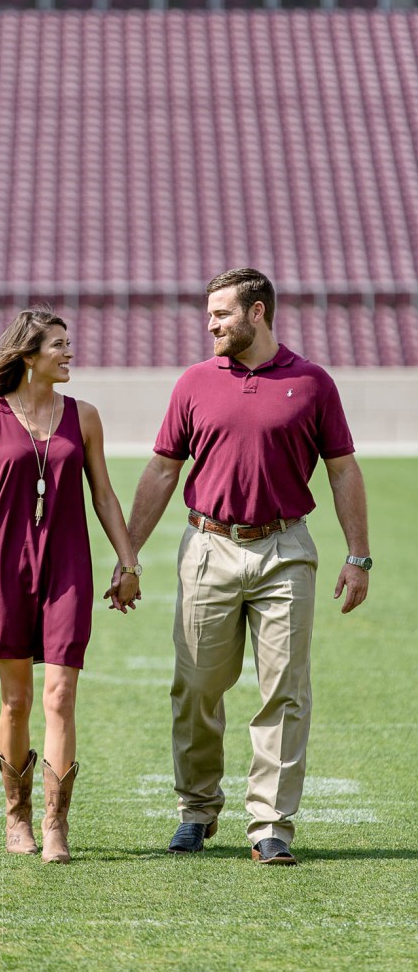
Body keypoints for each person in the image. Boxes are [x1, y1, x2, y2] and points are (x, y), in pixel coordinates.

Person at [108, 268, 370, 866]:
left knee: (284, 690)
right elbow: (162, 470)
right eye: (209, 314)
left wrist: (358, 556)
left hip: (286, 550)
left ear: (257, 313)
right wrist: (129, 555)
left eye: (221, 314)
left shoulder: (312, 382)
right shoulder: (194, 382)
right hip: (207, 547)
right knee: (197, 684)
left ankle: (270, 825)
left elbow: (343, 471)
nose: (211, 324)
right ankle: (196, 812)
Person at [0, 307, 141, 864]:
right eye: (58, 345)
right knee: (17, 700)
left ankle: (57, 825)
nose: (69, 353)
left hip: (67, 567)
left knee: (61, 696)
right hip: (3, 567)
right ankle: (18, 818)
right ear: (28, 354)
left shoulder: (84, 416)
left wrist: (128, 562)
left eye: (69, 343)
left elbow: (103, 495)